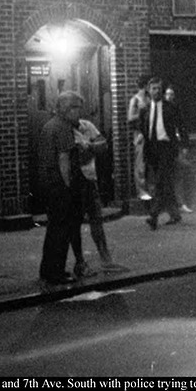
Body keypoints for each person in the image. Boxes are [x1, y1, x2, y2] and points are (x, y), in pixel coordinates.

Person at [37, 91, 86, 287]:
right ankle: (56, 273)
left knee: (53, 228)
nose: (78, 114)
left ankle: (46, 269)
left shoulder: (49, 126)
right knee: (62, 230)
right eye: (77, 109)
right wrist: (68, 186)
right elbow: (64, 158)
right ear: (68, 109)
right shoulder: (64, 127)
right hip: (60, 185)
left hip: (47, 184)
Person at [73, 102, 121, 275]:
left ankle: (105, 258)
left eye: (77, 108)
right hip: (75, 181)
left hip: (90, 178)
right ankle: (80, 262)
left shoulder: (87, 126)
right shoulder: (65, 130)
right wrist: (90, 148)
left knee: (96, 219)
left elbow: (103, 145)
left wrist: (90, 147)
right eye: (73, 108)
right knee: (75, 223)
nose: (77, 111)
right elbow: (78, 154)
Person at [142, 75, 188, 230]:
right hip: (153, 148)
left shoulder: (170, 107)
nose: (156, 91)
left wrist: (184, 145)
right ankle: (175, 214)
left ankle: (153, 215)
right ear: (148, 91)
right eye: (153, 89)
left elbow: (181, 126)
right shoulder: (145, 110)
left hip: (167, 147)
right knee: (165, 182)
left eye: (159, 89)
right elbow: (144, 130)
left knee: (160, 181)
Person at [164, 86, 194, 214]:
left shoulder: (176, 109)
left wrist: (185, 145)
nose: (170, 96)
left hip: (177, 146)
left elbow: (182, 127)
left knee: (179, 175)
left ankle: (180, 203)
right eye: (168, 94)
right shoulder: (162, 110)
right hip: (168, 147)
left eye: (172, 94)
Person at [126, 75, 154, 202]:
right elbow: (130, 118)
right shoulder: (136, 100)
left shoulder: (149, 98)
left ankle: (151, 189)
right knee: (140, 162)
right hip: (140, 134)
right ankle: (141, 191)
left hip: (150, 133)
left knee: (150, 161)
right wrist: (141, 112)